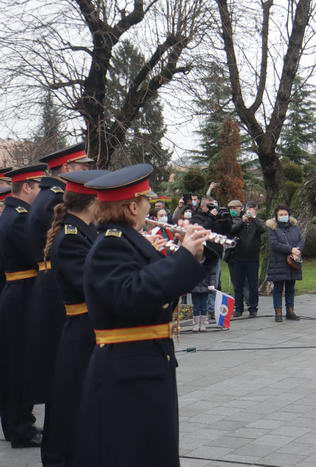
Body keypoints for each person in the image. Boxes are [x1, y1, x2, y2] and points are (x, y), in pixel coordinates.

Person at [73, 164, 212, 466]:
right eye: (147, 200)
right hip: (129, 367)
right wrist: (183, 258)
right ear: (133, 205)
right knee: (134, 449)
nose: (151, 205)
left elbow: (151, 282)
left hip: (141, 360)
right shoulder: (111, 244)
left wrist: (192, 254)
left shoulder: (124, 240)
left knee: (150, 446)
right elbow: (132, 295)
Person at [39, 170, 107, 466]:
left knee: (81, 396)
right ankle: (62, 457)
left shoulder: (82, 230)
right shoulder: (70, 236)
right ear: (94, 202)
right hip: (81, 330)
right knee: (72, 397)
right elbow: (89, 284)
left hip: (87, 328)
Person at [25, 143, 92, 408]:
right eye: (82, 167)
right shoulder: (55, 197)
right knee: (62, 365)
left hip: (48, 279)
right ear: (66, 168)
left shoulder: (46, 194)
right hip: (56, 282)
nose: (86, 171)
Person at [0, 164, 45, 449]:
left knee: (16, 361)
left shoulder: (12, 214)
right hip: (22, 292)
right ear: (27, 187)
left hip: (17, 291)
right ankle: (19, 427)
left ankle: (19, 422)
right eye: (38, 187)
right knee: (17, 364)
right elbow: (36, 256)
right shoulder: (19, 218)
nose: (40, 193)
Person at [266, 205, 303, 323]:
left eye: (285, 214)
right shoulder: (273, 229)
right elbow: (274, 244)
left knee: (290, 288)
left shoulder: (295, 228)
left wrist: (297, 250)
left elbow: (301, 240)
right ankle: (278, 312)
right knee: (278, 288)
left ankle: (290, 311)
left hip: (293, 262)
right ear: (276, 217)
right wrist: (290, 249)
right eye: (281, 215)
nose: (283, 216)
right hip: (278, 262)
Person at [228, 202, 265, 317]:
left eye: (253, 210)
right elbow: (232, 230)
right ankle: (238, 308)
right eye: (248, 210)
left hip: (253, 259)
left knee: (253, 285)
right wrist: (242, 221)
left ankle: (253, 308)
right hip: (238, 258)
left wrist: (254, 218)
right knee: (238, 285)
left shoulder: (257, 222)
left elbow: (263, 229)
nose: (250, 212)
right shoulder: (240, 221)